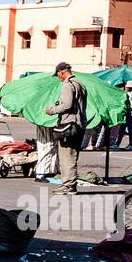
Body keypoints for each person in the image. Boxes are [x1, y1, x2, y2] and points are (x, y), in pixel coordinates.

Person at [45, 61, 87, 194]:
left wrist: (52, 110)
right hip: (79, 124)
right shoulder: (80, 84)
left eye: (58, 74)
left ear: (62, 72)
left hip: (69, 125)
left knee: (66, 157)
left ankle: (68, 186)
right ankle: (71, 185)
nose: (58, 77)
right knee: (72, 156)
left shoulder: (67, 86)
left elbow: (67, 105)